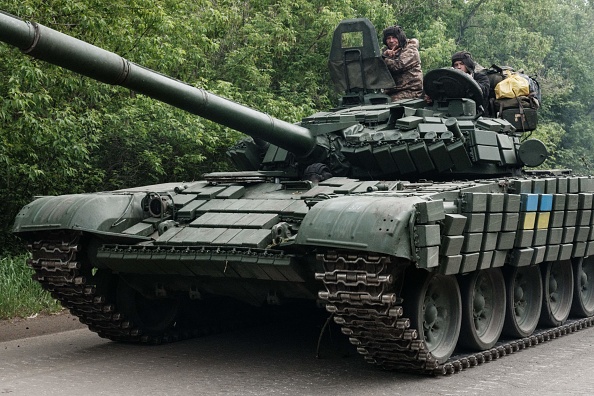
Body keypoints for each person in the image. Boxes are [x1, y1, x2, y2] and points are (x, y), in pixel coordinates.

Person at [380, 25, 423, 101]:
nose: (391, 41)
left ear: (400, 38)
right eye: (388, 38)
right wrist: (384, 56)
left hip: (410, 91)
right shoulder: (386, 51)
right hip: (391, 92)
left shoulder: (411, 49)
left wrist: (384, 59)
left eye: (394, 37)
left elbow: (397, 66)